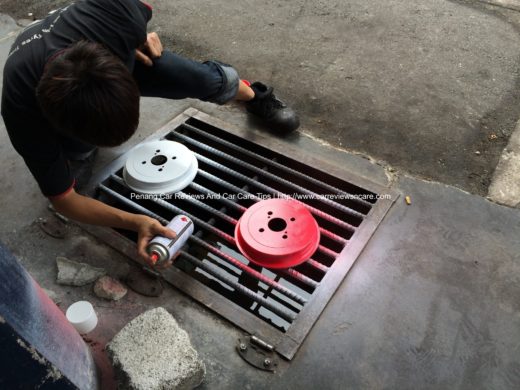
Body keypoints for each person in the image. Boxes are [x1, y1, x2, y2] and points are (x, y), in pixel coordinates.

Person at [1, 0, 299, 266]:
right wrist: (134, 221)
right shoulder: (21, 110)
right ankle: (80, 148)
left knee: (199, 79)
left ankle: (256, 96)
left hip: (109, 46)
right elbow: (63, 200)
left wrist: (139, 35)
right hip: (57, 75)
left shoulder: (115, 11)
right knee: (74, 176)